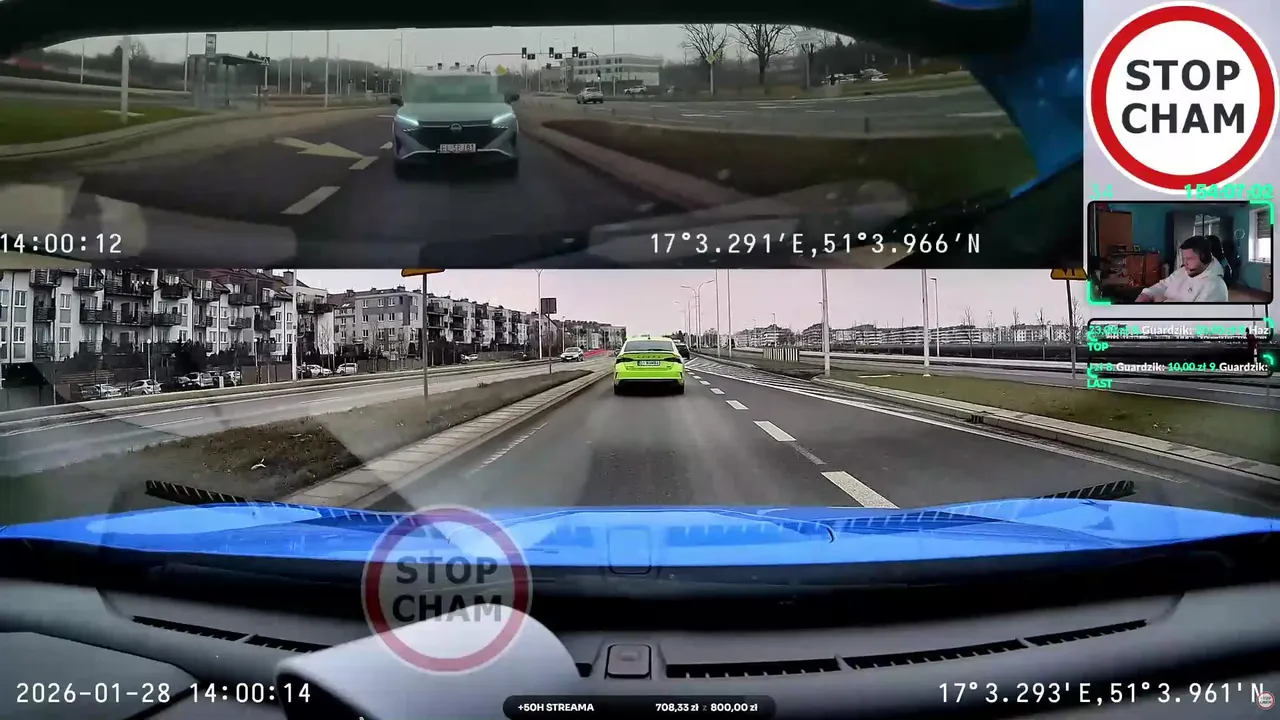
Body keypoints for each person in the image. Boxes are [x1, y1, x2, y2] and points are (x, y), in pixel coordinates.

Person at [1135, 235, 1228, 303]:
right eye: (1184, 258)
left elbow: (1197, 319)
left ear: (1205, 258)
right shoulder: (1184, 271)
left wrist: (1164, 302)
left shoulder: (1215, 287)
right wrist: (1147, 294)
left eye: (1189, 259)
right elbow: (1164, 285)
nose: (1184, 263)